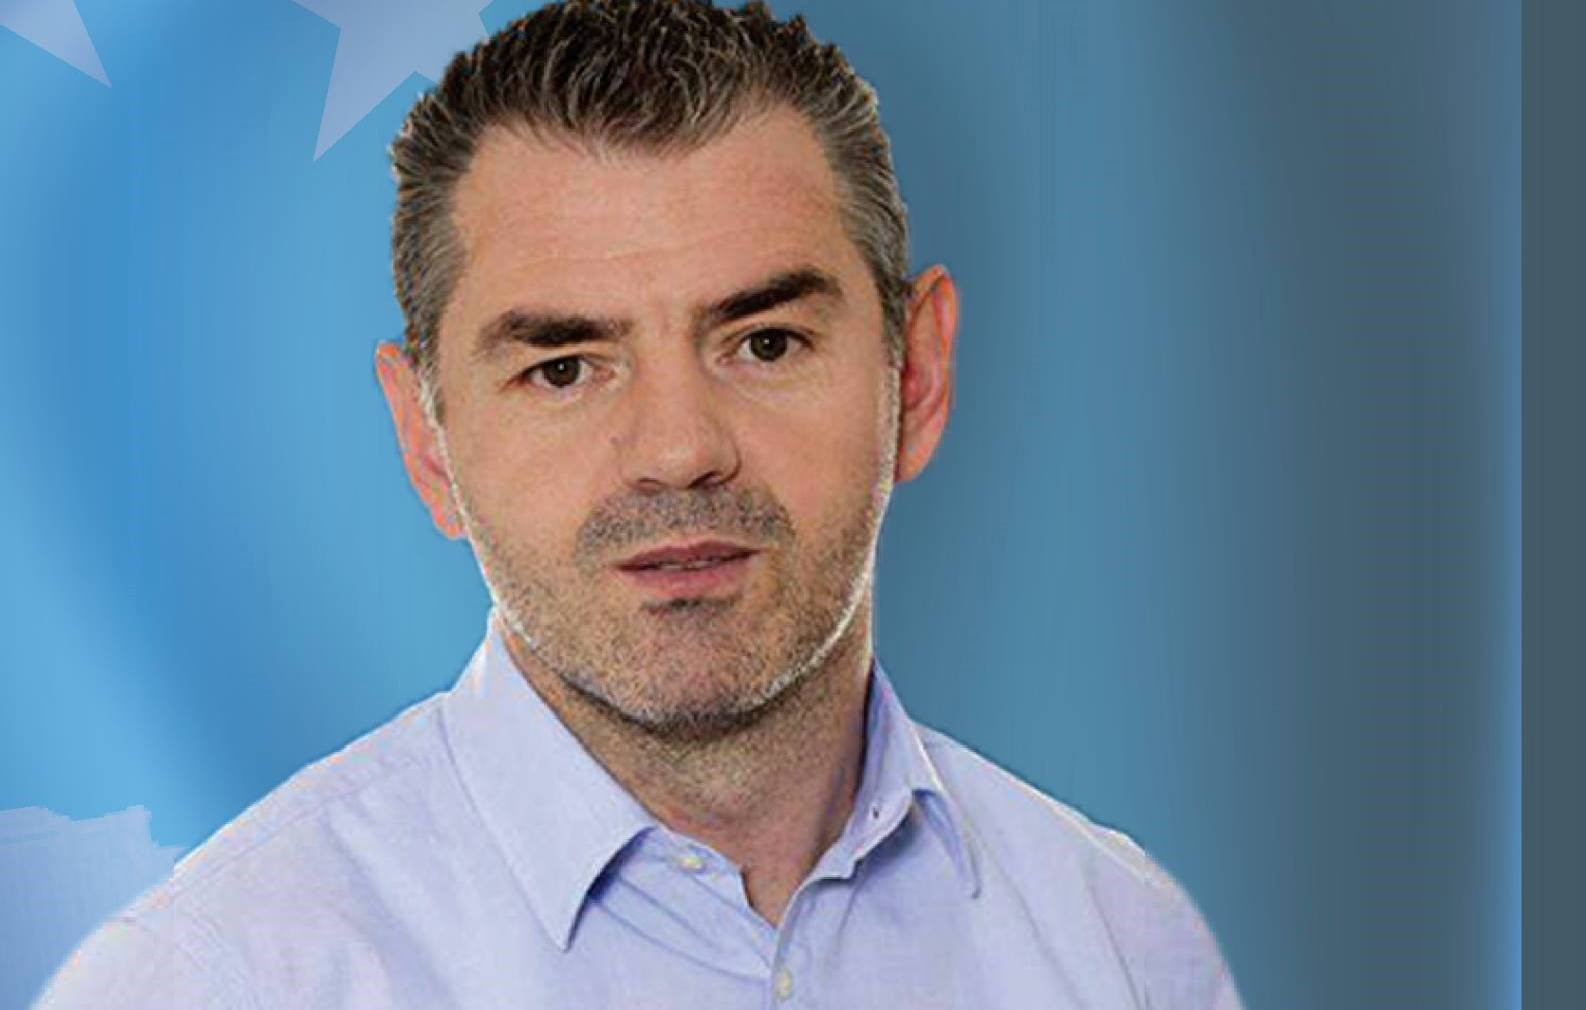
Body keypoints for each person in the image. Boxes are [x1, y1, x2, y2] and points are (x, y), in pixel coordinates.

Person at [35, 1, 1243, 1007]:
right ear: (426, 439)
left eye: (765, 342)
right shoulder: (211, 981)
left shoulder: (1126, 946)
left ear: (915, 377)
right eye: (564, 368)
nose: (677, 451)